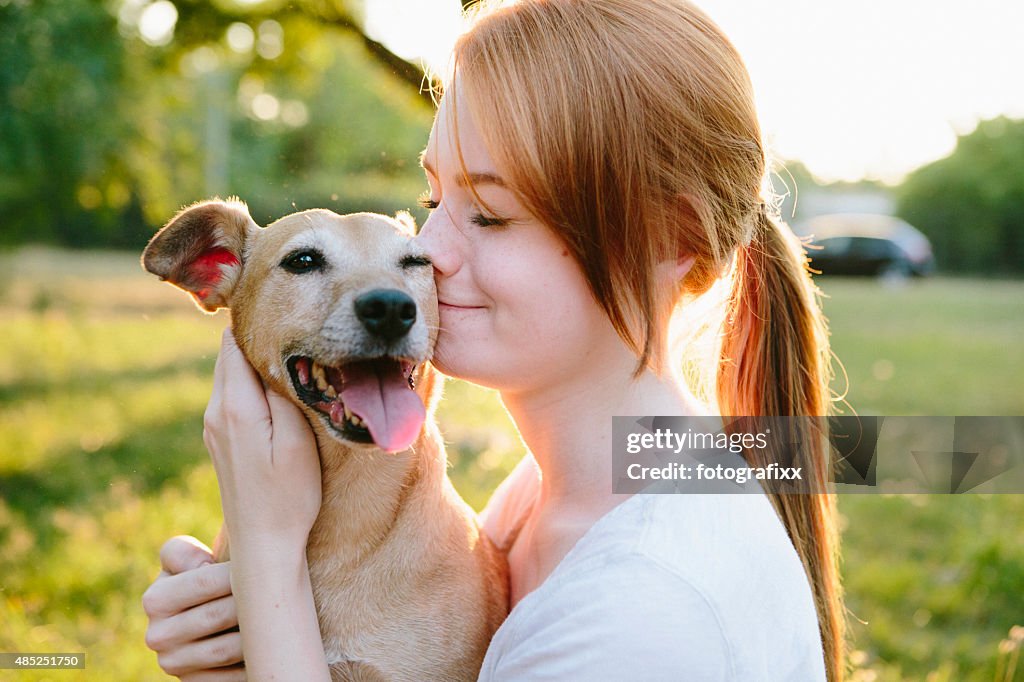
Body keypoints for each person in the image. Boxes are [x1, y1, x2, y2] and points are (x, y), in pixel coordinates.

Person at [142, 0, 847, 679]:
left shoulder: (644, 614)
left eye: (492, 215)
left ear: (673, 237)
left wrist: (265, 557)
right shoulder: (555, 488)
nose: (426, 252)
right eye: (434, 201)